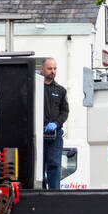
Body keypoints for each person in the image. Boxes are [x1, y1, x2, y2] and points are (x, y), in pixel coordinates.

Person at [40, 57, 68, 190]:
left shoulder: (60, 90)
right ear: (42, 69)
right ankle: (38, 191)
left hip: (55, 134)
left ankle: (54, 193)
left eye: (55, 69)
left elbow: (65, 112)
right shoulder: (36, 88)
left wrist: (56, 124)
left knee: (54, 165)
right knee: (38, 166)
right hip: (38, 134)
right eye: (50, 68)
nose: (52, 71)